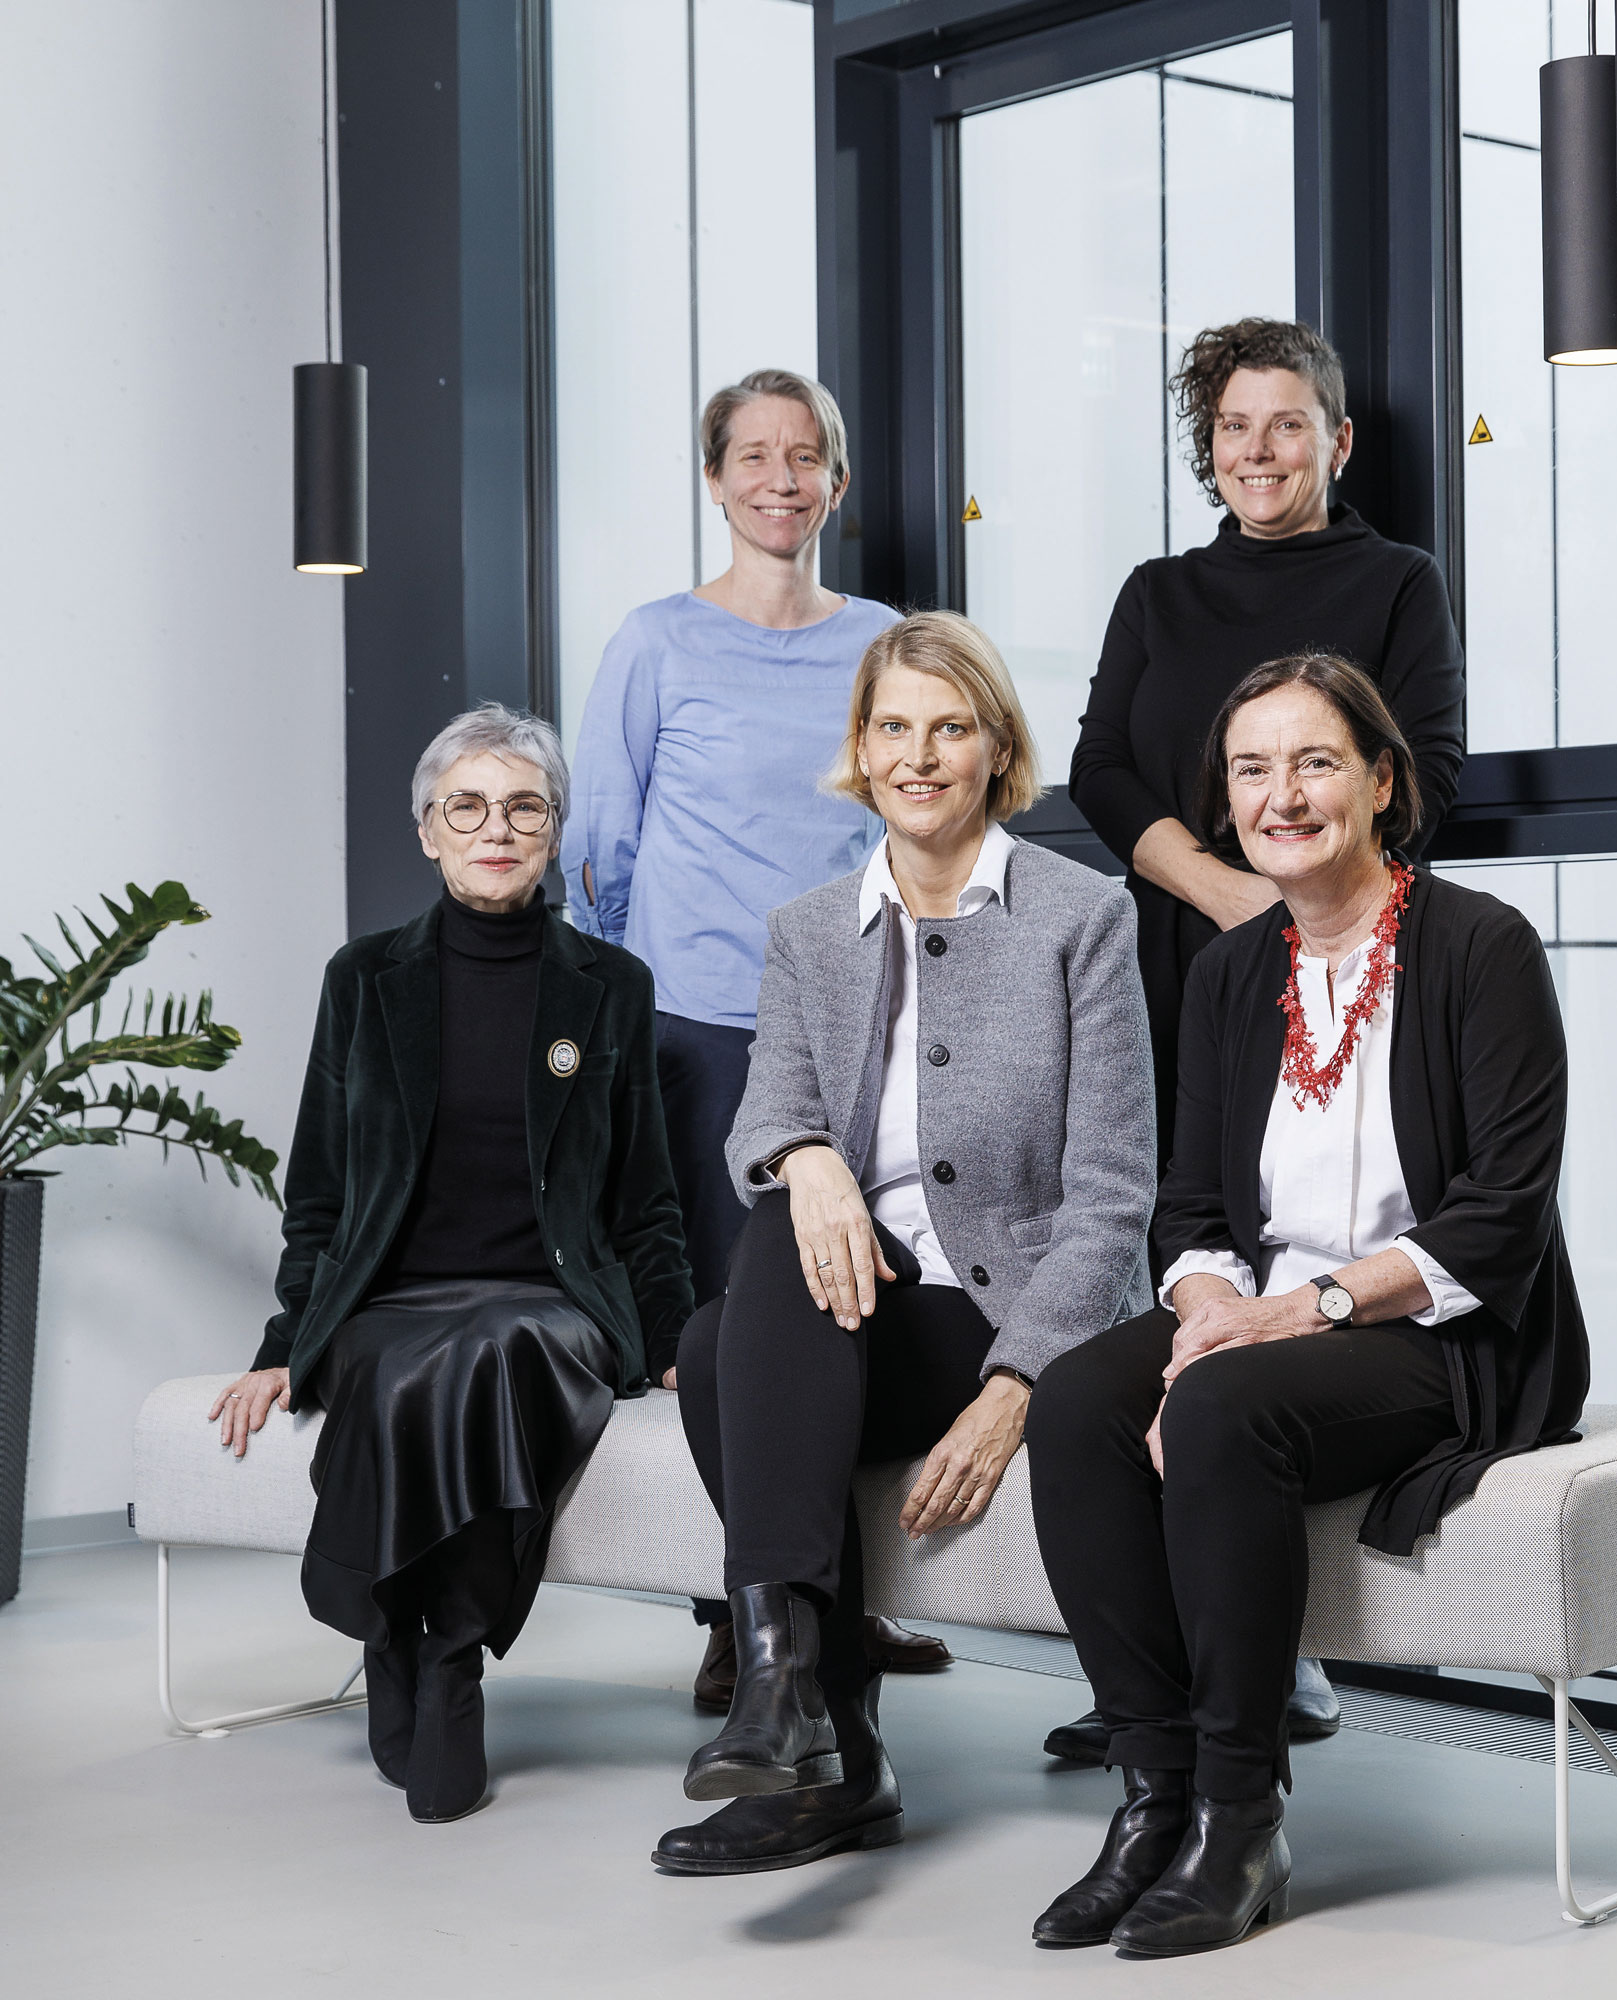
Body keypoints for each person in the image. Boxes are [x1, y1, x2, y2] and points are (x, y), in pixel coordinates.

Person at [1024, 654, 1588, 1955]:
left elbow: (1501, 1214)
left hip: (1438, 1329)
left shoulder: (1480, 948)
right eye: (1253, 768)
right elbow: (1191, 1210)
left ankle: (1242, 1812)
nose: (1284, 794)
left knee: (1219, 1405)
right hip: (1262, 1320)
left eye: (1317, 761)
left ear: (1384, 783)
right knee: (1075, 1403)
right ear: (1226, 804)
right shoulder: (1231, 975)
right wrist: (1214, 1309)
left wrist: (1285, 1320)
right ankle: (1154, 1793)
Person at [653, 612, 1155, 1876]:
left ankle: (813, 1726)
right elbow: (766, 1115)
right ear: (859, 750)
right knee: (774, 1230)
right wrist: (810, 1159)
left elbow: (1110, 1197)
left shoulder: (1079, 916)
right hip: (849, 1298)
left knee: (721, 1348)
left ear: (995, 749)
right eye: (892, 728)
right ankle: (794, 1701)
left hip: (1000, 1312)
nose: (918, 755)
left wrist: (1015, 1382)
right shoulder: (809, 927)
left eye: (949, 727)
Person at [1054, 314, 1470, 1763]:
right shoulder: (1159, 593)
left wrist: (1297, 901)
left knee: (1308, 1251)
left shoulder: (1395, 582)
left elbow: (1432, 776)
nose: (1259, 451)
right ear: (1207, 449)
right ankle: (1157, 1667)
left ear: (1338, 441)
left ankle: (1262, 1656)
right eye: (1233, 428)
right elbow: (1100, 769)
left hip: (1344, 956)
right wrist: (1230, 892)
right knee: (1183, 1254)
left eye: (1287, 424)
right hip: (1189, 960)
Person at [210, 704, 693, 1823]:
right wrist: (288, 1344)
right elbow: (321, 1193)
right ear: (428, 831)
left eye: (524, 804)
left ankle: (447, 1658)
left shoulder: (608, 986)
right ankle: (399, 1632)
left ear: (554, 831)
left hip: (550, 1301)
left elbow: (646, 1202)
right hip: (393, 1297)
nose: (495, 826)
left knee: (490, 1347)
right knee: (398, 1360)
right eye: (465, 805)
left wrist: (672, 1339)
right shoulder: (364, 977)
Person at [563, 367, 948, 1694]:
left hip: (858, 1020)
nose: (781, 478)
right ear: (716, 478)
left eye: (807, 457)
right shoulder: (655, 643)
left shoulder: (887, 642)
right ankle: (747, 1615)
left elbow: (920, 815)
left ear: (837, 484)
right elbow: (602, 843)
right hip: (699, 1031)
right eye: (754, 456)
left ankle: (843, 1594)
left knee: (861, 1307)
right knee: (734, 1336)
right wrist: (621, 1019)